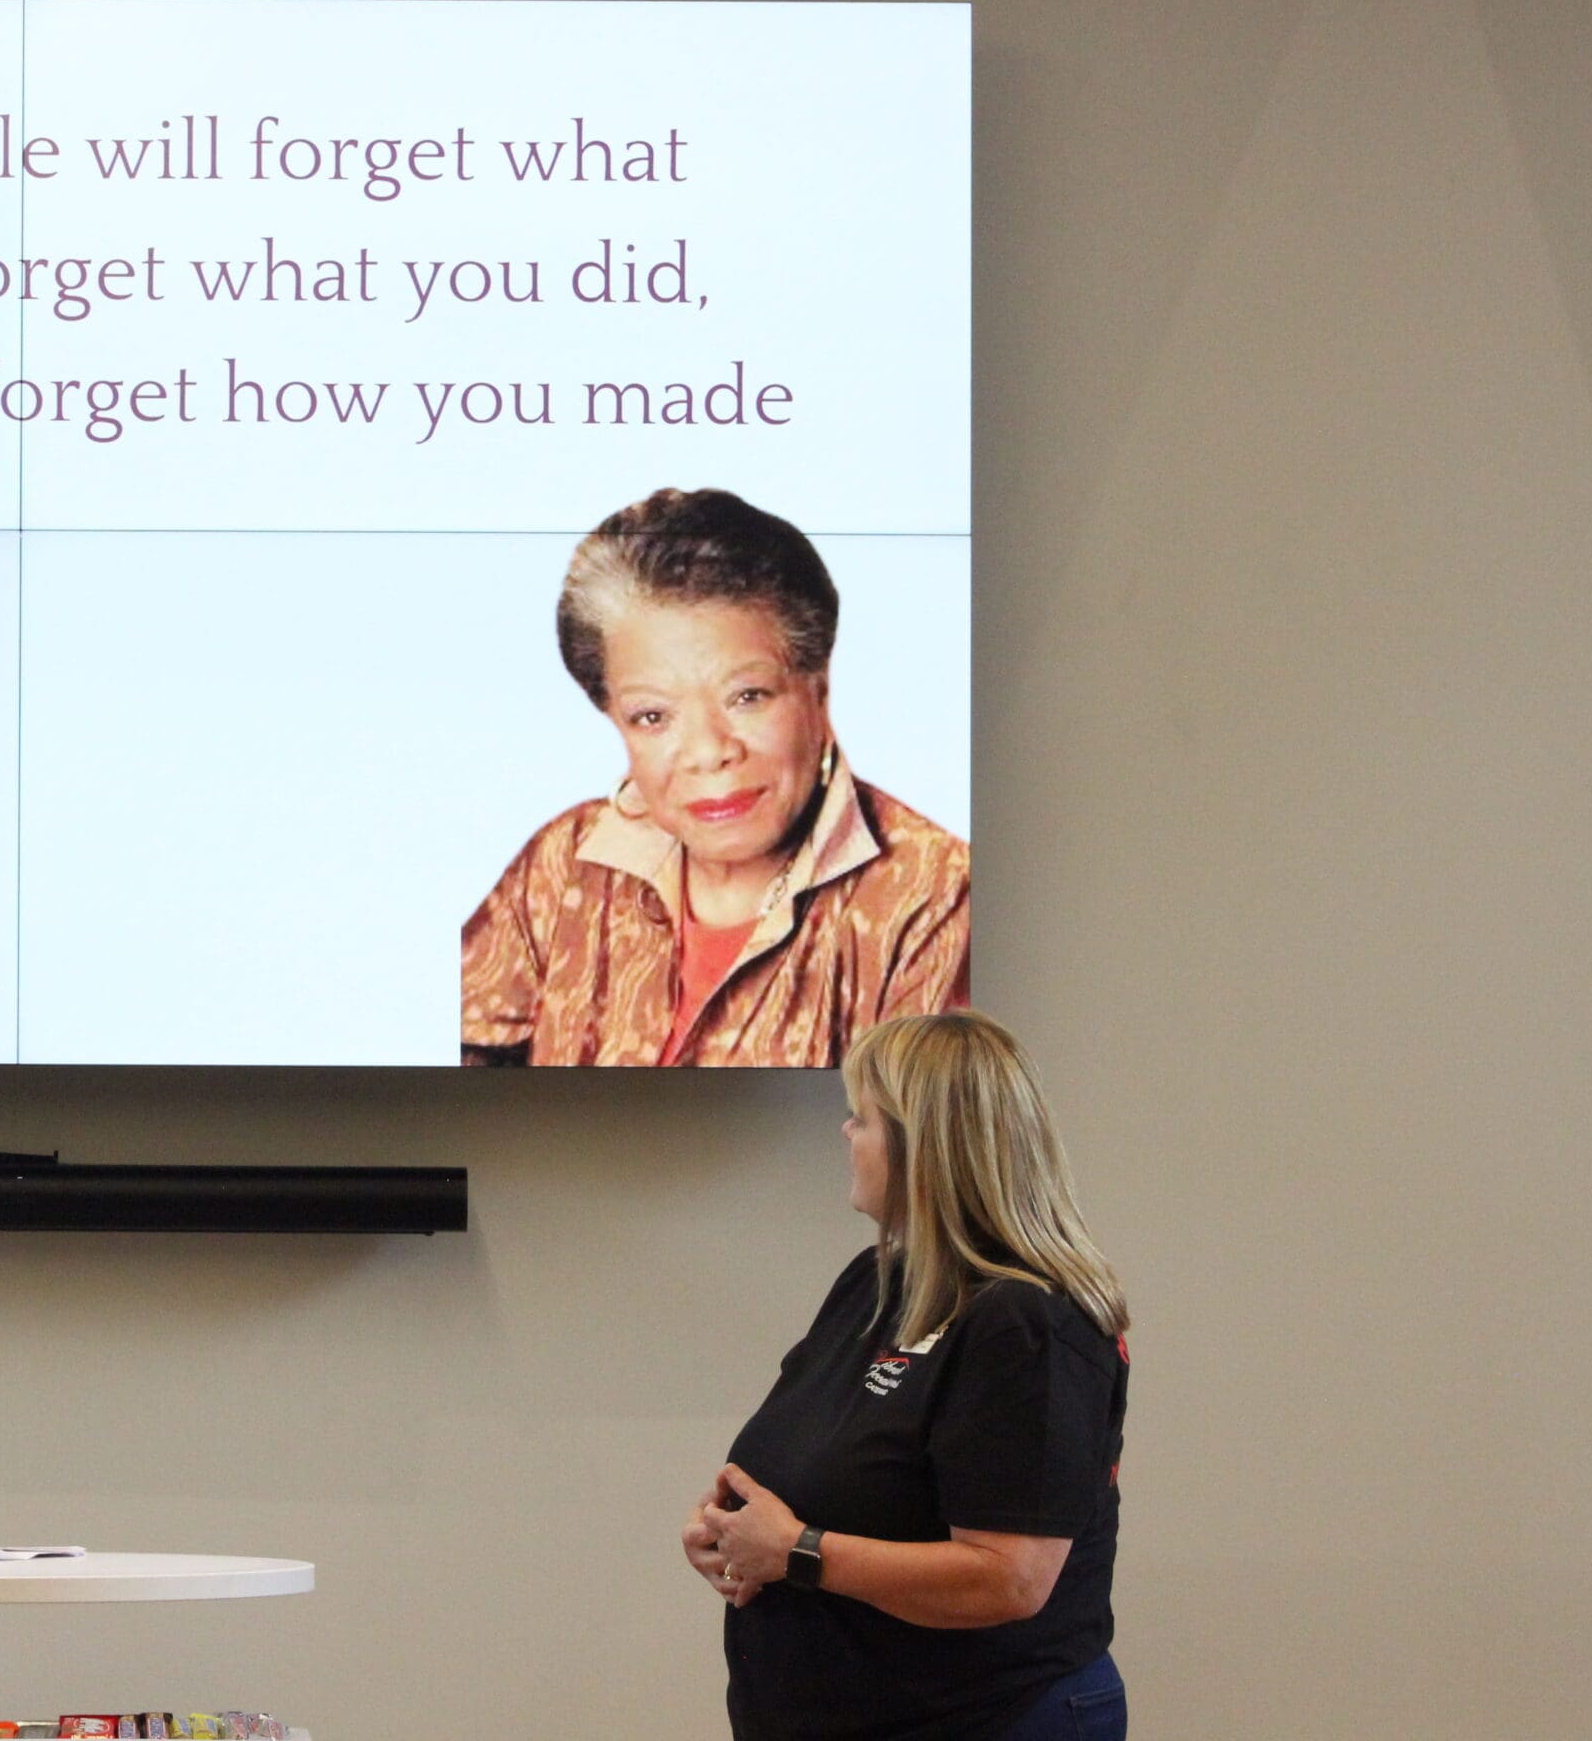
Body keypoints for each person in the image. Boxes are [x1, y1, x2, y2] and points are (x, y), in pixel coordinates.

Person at [682, 1011, 1130, 1741]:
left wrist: (796, 1551)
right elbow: (824, 1467)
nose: (845, 1135)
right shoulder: (878, 1279)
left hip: (985, 1717)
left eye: (862, 1117)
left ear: (927, 1148)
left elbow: (1010, 1577)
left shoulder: (1029, 1323)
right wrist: (733, 1534)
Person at [462, 486, 968, 1066]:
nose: (708, 752)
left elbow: (925, 1139)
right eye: (653, 716)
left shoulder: (935, 897)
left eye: (747, 696)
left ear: (818, 687)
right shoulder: (564, 862)